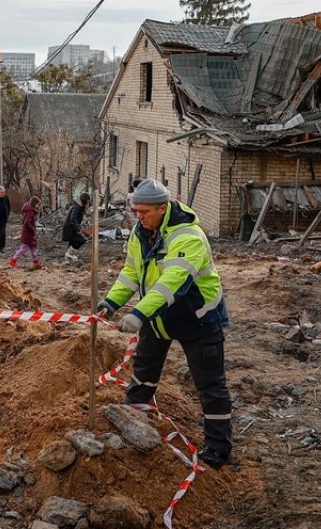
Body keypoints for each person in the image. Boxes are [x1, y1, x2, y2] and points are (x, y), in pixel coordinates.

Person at [98, 179, 233, 469]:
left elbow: (173, 282)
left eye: (144, 212)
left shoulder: (188, 236)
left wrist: (139, 314)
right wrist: (111, 302)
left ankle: (218, 449)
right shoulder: (141, 231)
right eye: (135, 211)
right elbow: (132, 272)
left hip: (198, 319)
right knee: (144, 371)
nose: (138, 217)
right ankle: (132, 418)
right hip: (159, 317)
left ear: (163, 208)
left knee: (210, 386)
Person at [8, 195, 42, 270]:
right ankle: (13, 261)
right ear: (34, 203)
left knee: (33, 248)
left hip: (28, 233)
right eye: (37, 204)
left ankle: (36, 262)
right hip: (28, 234)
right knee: (24, 249)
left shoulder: (29, 211)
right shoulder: (30, 212)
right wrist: (32, 229)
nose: (38, 206)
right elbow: (26, 223)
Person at [61, 193, 91, 263]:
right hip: (70, 228)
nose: (88, 204)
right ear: (85, 201)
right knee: (82, 239)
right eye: (88, 201)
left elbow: (76, 219)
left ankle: (69, 259)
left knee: (72, 242)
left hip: (70, 227)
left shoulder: (77, 206)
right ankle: (69, 254)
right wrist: (77, 229)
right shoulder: (77, 207)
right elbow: (72, 219)